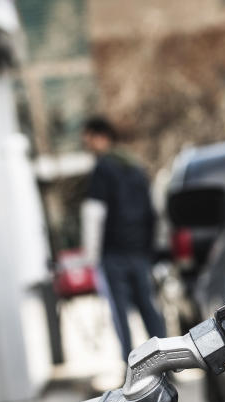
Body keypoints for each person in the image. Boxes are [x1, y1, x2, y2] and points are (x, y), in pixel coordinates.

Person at [80, 116, 167, 363]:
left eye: (88, 140)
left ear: (101, 137)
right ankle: (166, 362)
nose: (88, 147)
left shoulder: (102, 168)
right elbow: (155, 210)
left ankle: (130, 367)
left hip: (113, 253)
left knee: (120, 314)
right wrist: (153, 248)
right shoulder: (136, 167)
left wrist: (91, 256)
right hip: (140, 251)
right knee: (149, 309)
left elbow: (94, 214)